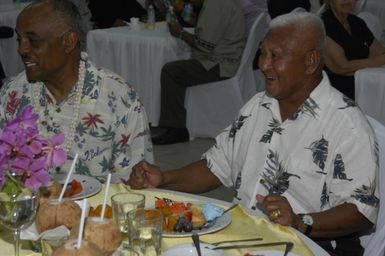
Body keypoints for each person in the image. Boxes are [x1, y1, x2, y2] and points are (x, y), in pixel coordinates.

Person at [130, 12, 379, 255]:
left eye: (275, 56)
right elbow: (216, 166)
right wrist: (164, 179)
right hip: (246, 237)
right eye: (262, 52)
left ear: (311, 61)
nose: (263, 64)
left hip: (312, 246)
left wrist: (302, 221)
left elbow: (361, 213)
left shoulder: (346, 124)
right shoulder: (259, 105)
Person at [0, 0, 153, 183]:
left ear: (69, 41)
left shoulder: (118, 97)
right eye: (20, 40)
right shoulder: (13, 93)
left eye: (33, 41)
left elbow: (138, 183)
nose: (22, 49)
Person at [152, 0, 245, 145]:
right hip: (224, 58)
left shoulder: (216, 4)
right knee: (179, 65)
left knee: (171, 71)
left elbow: (204, 45)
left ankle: (177, 129)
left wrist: (180, 33)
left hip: (219, 64)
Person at [321, 0, 385, 100]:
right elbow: (342, 67)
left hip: (365, 86)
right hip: (338, 95)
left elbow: (380, 52)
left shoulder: (357, 22)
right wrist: (379, 60)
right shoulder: (322, 25)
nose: (347, 0)